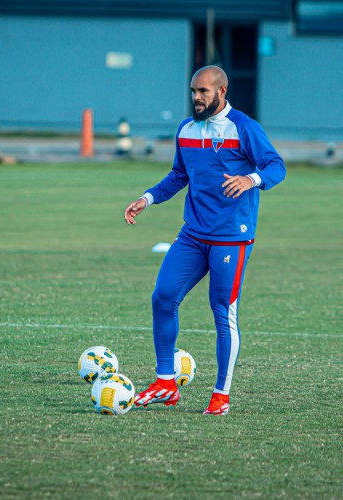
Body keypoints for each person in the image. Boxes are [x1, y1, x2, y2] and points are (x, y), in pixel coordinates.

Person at [123, 65, 286, 415]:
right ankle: (166, 382)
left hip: (231, 239)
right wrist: (147, 198)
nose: (197, 97)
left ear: (222, 92)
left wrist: (251, 180)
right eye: (194, 91)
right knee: (163, 297)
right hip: (192, 235)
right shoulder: (186, 129)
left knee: (222, 313)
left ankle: (221, 395)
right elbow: (179, 175)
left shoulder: (244, 127)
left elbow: (276, 166)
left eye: (204, 92)